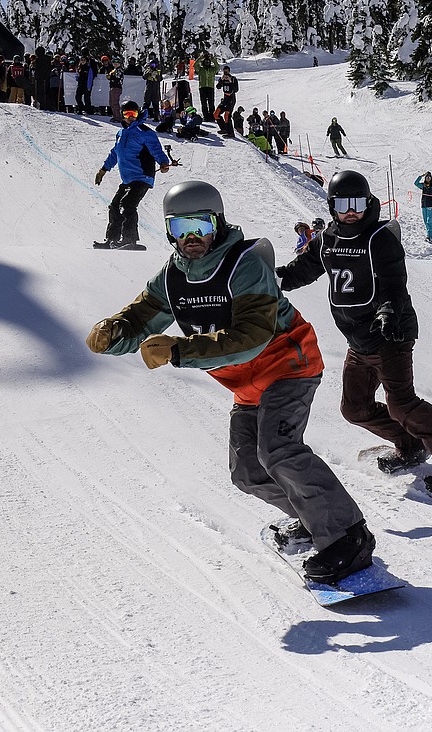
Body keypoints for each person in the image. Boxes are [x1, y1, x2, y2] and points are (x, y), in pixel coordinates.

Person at [86, 180, 374, 584]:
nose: (191, 238)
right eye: (181, 227)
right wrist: (116, 331)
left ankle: (349, 537)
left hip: (288, 364)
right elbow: (143, 316)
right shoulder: (172, 276)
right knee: (248, 472)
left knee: (278, 450)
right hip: (245, 383)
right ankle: (315, 518)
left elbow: (252, 338)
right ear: (168, 230)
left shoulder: (244, 264)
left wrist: (180, 350)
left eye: (201, 226)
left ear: (218, 223)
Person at [277, 170, 432, 493]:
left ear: (368, 202)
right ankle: (410, 443)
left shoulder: (379, 238)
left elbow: (394, 283)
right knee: (353, 407)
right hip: (358, 341)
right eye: (343, 204)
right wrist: (270, 280)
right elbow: (302, 270)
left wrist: (387, 310)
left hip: (391, 335)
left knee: (402, 403)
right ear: (332, 207)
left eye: (357, 202)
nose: (351, 211)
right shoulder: (328, 240)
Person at [93, 100, 172, 251]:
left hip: (142, 176)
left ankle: (130, 239)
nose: (130, 117)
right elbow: (115, 153)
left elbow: (156, 149)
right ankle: (112, 240)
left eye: (133, 114)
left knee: (128, 204)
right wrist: (103, 170)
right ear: (122, 115)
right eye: (127, 114)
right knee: (114, 206)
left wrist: (163, 162)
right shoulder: (121, 133)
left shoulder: (145, 132)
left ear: (138, 114)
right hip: (128, 179)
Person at [414, 172, 432, 243]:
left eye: (429, 177)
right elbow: (416, 183)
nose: (428, 178)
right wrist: (421, 176)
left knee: (429, 222)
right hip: (424, 206)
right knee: (426, 222)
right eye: (427, 177)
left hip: (431, 206)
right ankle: (429, 236)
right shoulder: (423, 185)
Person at [216, 65, 239, 137]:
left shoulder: (233, 78)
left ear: (229, 71)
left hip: (231, 99)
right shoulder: (222, 78)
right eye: (224, 71)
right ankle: (224, 128)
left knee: (227, 115)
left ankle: (230, 133)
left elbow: (236, 89)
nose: (225, 73)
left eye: (227, 71)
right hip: (225, 98)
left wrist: (231, 81)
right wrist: (221, 81)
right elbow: (218, 87)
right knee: (216, 114)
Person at [195, 50, 218, 120]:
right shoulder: (200, 69)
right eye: (205, 62)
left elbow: (217, 67)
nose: (207, 63)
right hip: (202, 87)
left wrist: (213, 59)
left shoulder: (212, 69)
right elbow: (195, 65)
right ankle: (205, 116)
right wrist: (200, 58)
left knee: (211, 102)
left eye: (208, 62)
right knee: (204, 102)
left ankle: (212, 115)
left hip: (210, 87)